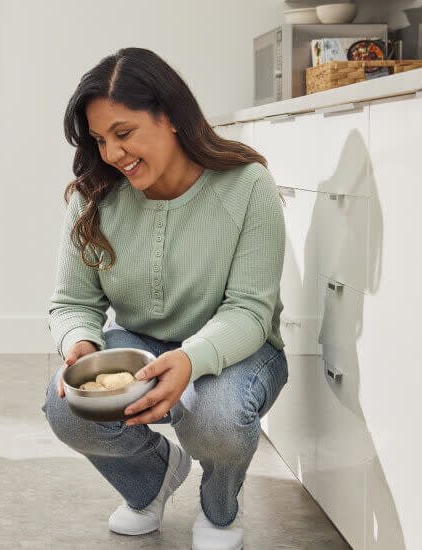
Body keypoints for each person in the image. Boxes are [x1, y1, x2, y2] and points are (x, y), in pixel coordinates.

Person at [42, 48, 288, 550]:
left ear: (171, 117)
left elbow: (250, 309)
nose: (111, 154)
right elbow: (72, 302)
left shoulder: (247, 185)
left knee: (214, 416)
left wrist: (190, 359)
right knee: (65, 405)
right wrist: (81, 343)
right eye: (99, 140)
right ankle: (152, 478)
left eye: (124, 133)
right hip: (140, 343)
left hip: (241, 348)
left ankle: (220, 510)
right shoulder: (96, 196)